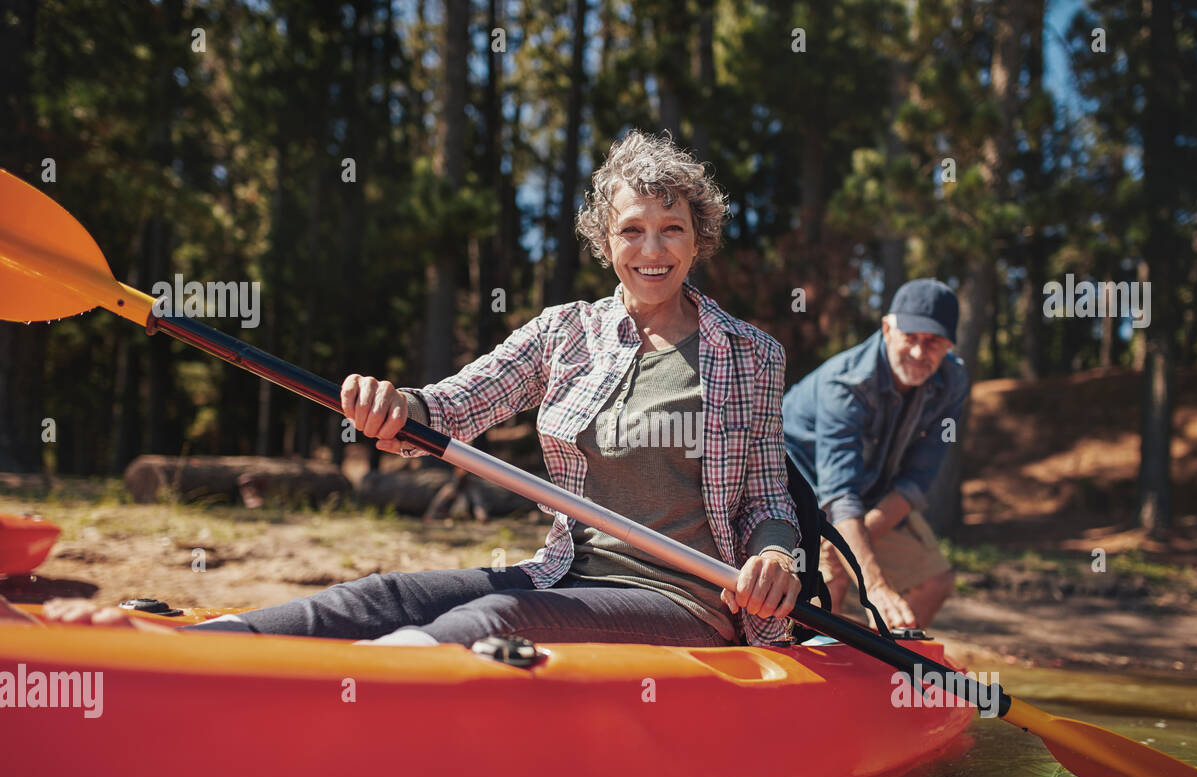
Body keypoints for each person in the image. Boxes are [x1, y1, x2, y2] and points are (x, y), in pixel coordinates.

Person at [44, 131, 802, 649]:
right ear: (605, 245)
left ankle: (364, 699)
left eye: (671, 229)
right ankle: (188, 651)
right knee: (382, 595)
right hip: (564, 571)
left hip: (686, 601)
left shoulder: (749, 355)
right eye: (632, 230)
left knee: (497, 615)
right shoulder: (565, 332)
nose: (651, 249)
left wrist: (776, 562)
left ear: (698, 238)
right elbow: (451, 406)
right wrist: (397, 407)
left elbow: (769, 504)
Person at [783, 278, 969, 630]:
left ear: (949, 346)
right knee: (826, 589)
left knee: (936, 582)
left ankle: (883, 674)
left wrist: (846, 550)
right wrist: (875, 586)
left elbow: (916, 480)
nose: (918, 352)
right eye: (910, 338)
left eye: (933, 342)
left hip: (866, 498)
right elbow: (839, 496)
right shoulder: (845, 384)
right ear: (887, 328)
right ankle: (820, 669)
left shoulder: (953, 381)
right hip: (794, 491)